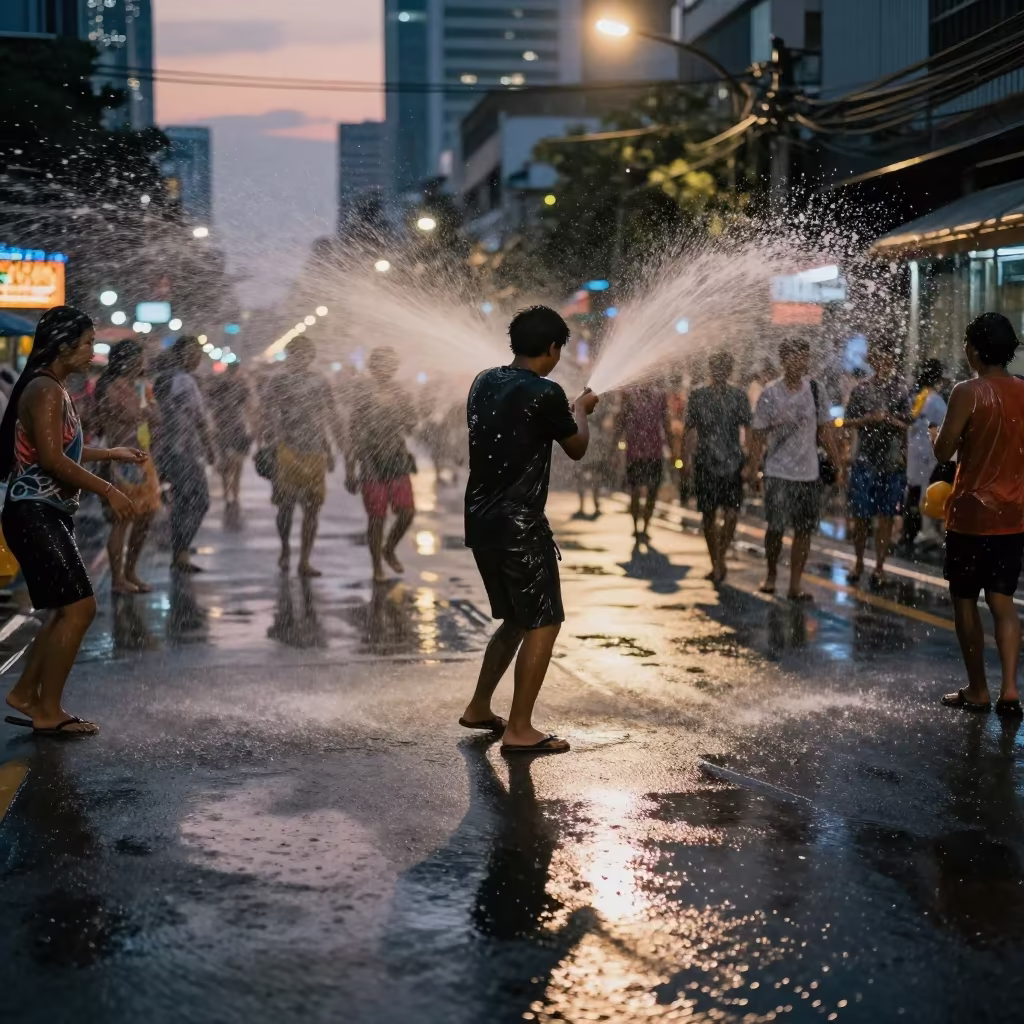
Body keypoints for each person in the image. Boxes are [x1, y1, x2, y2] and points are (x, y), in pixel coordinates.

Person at [460, 306, 599, 756]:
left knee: (518, 619)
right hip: (519, 523)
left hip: (481, 519)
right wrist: (581, 409)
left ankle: (480, 707)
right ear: (554, 348)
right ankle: (520, 728)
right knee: (544, 621)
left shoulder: (484, 380)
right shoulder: (547, 392)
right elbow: (577, 447)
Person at [0, 306, 145, 736]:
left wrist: (110, 454)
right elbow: (50, 459)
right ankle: (48, 711)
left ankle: (28, 693)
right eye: (87, 343)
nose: (93, 350)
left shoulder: (53, 387)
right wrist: (109, 489)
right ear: (64, 347)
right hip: (34, 513)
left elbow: (60, 451)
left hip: (46, 513)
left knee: (65, 610)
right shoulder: (45, 389)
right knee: (79, 609)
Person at [936, 313, 1024, 717]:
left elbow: (943, 450)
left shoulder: (967, 391)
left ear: (974, 348)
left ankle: (977, 689)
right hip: (1013, 516)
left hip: (971, 515)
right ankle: (1010, 689)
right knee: (1003, 600)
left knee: (966, 600)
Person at [746, 338, 838, 601]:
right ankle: (772, 573)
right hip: (778, 472)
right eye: (796, 357)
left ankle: (795, 584)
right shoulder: (770, 394)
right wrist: (753, 468)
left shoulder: (816, 390)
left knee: (804, 529)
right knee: (775, 527)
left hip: (808, 473)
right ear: (784, 360)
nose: (801, 362)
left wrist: (837, 463)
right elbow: (758, 434)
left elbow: (825, 429)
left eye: (804, 357)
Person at [266, 336, 345, 576]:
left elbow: (329, 416)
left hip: (314, 451)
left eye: (304, 354)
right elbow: (268, 413)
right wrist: (270, 443)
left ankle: (304, 559)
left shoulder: (319, 381)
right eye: (295, 354)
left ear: (311, 357)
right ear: (289, 355)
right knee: (286, 506)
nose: (300, 358)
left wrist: (332, 449)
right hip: (287, 450)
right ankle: (285, 549)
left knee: (311, 508)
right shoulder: (278, 380)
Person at [844, 341, 913, 584]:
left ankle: (880, 567)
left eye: (888, 359)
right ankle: (860, 560)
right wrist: (867, 419)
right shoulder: (861, 389)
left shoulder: (901, 390)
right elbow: (845, 422)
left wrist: (890, 420)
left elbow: (909, 424)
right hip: (864, 462)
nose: (884, 364)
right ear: (873, 360)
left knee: (886, 517)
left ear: (892, 362)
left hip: (892, 464)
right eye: (879, 359)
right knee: (861, 517)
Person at [95, 340, 161, 594]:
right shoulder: (114, 387)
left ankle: (131, 571)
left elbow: (157, 417)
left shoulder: (141, 386)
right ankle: (117, 579)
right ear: (130, 360)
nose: (144, 363)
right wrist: (146, 403)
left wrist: (146, 402)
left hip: (143, 460)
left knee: (146, 517)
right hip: (120, 462)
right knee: (123, 520)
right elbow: (137, 413)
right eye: (140, 358)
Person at [347, 347, 417, 583]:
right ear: (372, 368)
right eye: (381, 365)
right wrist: (350, 468)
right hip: (369, 461)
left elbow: (410, 425)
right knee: (376, 517)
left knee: (407, 512)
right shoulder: (362, 393)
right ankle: (377, 565)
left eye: (390, 365)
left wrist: (411, 416)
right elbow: (353, 430)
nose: (386, 369)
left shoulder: (401, 392)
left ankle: (389, 548)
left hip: (396, 458)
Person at [684, 351, 751, 584]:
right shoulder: (698, 396)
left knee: (732, 513)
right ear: (711, 370)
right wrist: (685, 460)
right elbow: (689, 430)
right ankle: (716, 561)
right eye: (717, 367)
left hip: (733, 462)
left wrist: (750, 463)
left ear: (730, 370)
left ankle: (720, 556)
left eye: (724, 367)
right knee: (708, 515)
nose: (720, 371)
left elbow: (749, 429)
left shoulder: (738, 396)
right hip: (705, 462)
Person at [153, 335, 215, 573]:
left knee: (182, 502)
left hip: (168, 450)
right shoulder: (183, 380)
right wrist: (209, 448)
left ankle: (180, 555)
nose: (197, 358)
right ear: (179, 355)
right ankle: (179, 552)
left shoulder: (166, 379)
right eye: (192, 353)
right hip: (181, 451)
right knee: (199, 501)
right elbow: (198, 419)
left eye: (199, 353)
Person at [900, 358, 948, 554]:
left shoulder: (916, 396)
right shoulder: (935, 400)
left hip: (915, 452)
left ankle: (911, 531)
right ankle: (926, 531)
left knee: (914, 489)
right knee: (927, 492)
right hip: (928, 454)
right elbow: (946, 427)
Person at [618, 381, 670, 542]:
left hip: (654, 453)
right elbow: (621, 421)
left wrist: (672, 447)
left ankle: (645, 527)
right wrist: (615, 445)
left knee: (652, 492)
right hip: (634, 453)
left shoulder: (660, 396)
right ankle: (635, 527)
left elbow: (666, 423)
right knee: (635, 492)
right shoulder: (629, 396)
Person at [207, 362, 252, 513]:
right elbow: (249, 407)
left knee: (226, 464)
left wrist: (213, 426)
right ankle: (235, 492)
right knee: (238, 463)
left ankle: (227, 493)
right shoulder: (241, 385)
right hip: (238, 427)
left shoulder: (218, 385)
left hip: (222, 427)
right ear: (237, 370)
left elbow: (211, 407)